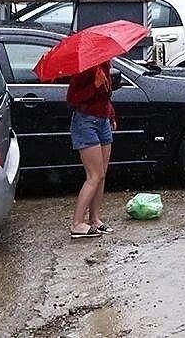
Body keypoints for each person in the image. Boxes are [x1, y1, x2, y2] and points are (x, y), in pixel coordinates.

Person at [67, 63, 115, 239]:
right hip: (85, 122)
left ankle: (94, 219)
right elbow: (72, 99)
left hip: (102, 121)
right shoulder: (83, 70)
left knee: (101, 174)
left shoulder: (105, 66)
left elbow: (105, 98)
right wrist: (93, 85)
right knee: (94, 175)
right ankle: (77, 223)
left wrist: (111, 116)